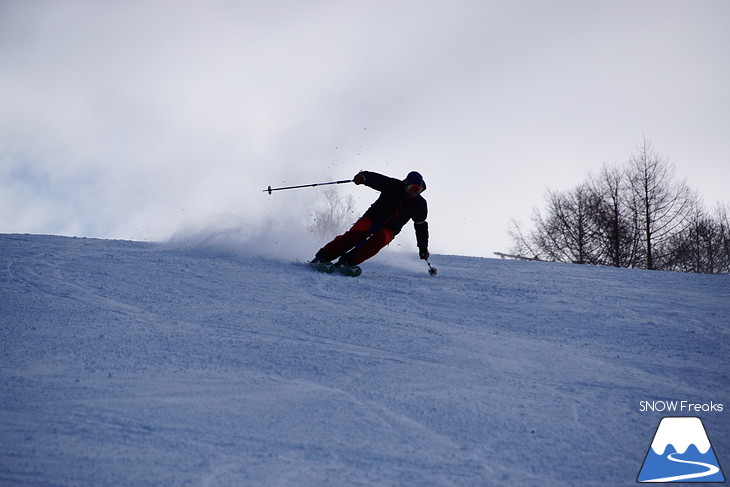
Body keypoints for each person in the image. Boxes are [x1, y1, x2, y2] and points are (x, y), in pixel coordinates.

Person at [311, 170, 430, 268]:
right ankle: (323, 257)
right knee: (355, 236)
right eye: (412, 188)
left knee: (375, 243)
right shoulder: (393, 186)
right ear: (406, 184)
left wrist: (423, 249)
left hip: (390, 229)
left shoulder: (420, 204)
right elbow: (375, 178)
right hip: (372, 218)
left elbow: (420, 227)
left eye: (417, 189)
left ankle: (347, 262)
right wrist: (363, 178)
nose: (413, 192)